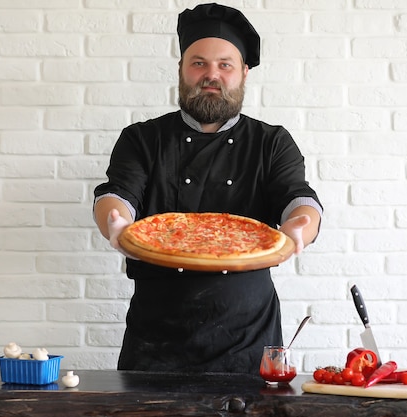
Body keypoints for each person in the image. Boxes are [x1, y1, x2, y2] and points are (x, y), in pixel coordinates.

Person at [93, 3, 322, 374]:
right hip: (156, 337)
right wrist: (115, 223)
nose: (210, 74)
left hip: (247, 335)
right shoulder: (142, 138)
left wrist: (300, 227)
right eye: (198, 63)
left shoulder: (271, 142)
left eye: (225, 65)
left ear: (244, 73)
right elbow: (117, 196)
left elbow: (299, 199)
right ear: (182, 69)